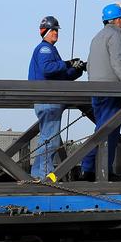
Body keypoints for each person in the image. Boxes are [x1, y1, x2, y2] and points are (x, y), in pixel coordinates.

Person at [26, 16, 85, 179]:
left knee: (46, 138)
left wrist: (77, 69)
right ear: (44, 31)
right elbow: (47, 69)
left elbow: (60, 76)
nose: (56, 33)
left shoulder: (50, 49)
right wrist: (67, 64)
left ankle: (38, 174)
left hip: (48, 99)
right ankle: (45, 175)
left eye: (57, 30)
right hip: (48, 100)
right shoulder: (45, 49)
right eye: (53, 30)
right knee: (50, 139)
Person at [84, 3, 121, 181]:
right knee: (109, 131)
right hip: (111, 90)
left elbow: (89, 65)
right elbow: (117, 63)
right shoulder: (115, 35)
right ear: (117, 20)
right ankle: (103, 172)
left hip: (96, 90)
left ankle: (89, 169)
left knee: (100, 129)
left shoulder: (96, 37)